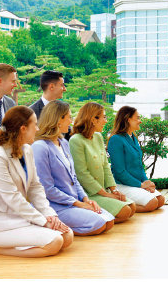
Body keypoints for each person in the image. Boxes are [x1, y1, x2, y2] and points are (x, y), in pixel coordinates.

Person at [0, 106, 73, 257]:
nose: (37, 129)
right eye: (34, 125)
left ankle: (18, 242)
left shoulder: (27, 150)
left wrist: (50, 215)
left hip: (18, 217)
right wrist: (44, 221)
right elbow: (13, 198)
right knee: (55, 241)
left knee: (67, 236)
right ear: (23, 128)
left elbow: (35, 187)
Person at [32, 101, 115, 236]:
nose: (71, 121)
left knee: (109, 221)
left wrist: (85, 199)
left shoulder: (64, 143)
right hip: (56, 206)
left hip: (74, 201)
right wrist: (77, 204)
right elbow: (47, 188)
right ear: (58, 119)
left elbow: (74, 178)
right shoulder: (40, 147)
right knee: (99, 225)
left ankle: (68, 225)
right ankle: (54, 227)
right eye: (69, 117)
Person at [69, 102, 136, 223]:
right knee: (125, 211)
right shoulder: (76, 140)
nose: (106, 121)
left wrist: (114, 190)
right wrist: (105, 194)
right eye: (103, 117)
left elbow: (106, 165)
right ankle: (93, 218)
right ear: (93, 119)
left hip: (104, 190)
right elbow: (82, 174)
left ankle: (101, 216)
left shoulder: (98, 136)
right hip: (90, 194)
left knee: (132, 207)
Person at [107, 106, 165, 212]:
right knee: (152, 203)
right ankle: (122, 207)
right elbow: (119, 172)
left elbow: (139, 166)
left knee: (160, 200)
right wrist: (141, 185)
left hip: (136, 183)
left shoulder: (133, 138)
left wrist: (146, 181)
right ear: (128, 119)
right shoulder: (116, 140)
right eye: (137, 118)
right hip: (121, 184)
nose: (140, 121)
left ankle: (128, 204)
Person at [29, 70, 70, 139]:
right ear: (51, 87)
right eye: (62, 85)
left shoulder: (63, 109)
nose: (64, 89)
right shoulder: (31, 112)